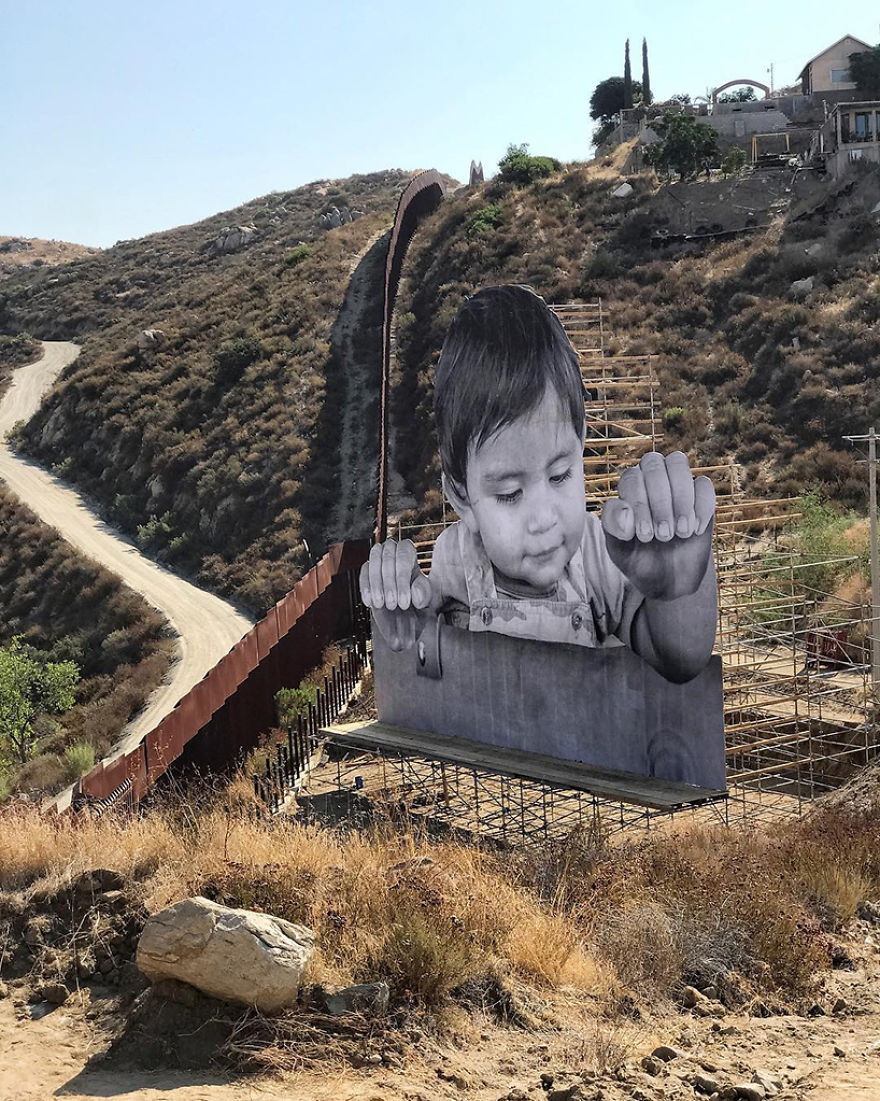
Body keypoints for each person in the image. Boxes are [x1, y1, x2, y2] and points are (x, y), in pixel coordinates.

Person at [361, 285, 717, 684]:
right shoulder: (456, 560)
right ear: (462, 497)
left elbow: (681, 659)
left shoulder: (600, 559)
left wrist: (677, 591)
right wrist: (398, 606)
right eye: (510, 494)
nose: (544, 518)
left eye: (560, 475)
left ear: (581, 442)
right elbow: (419, 648)